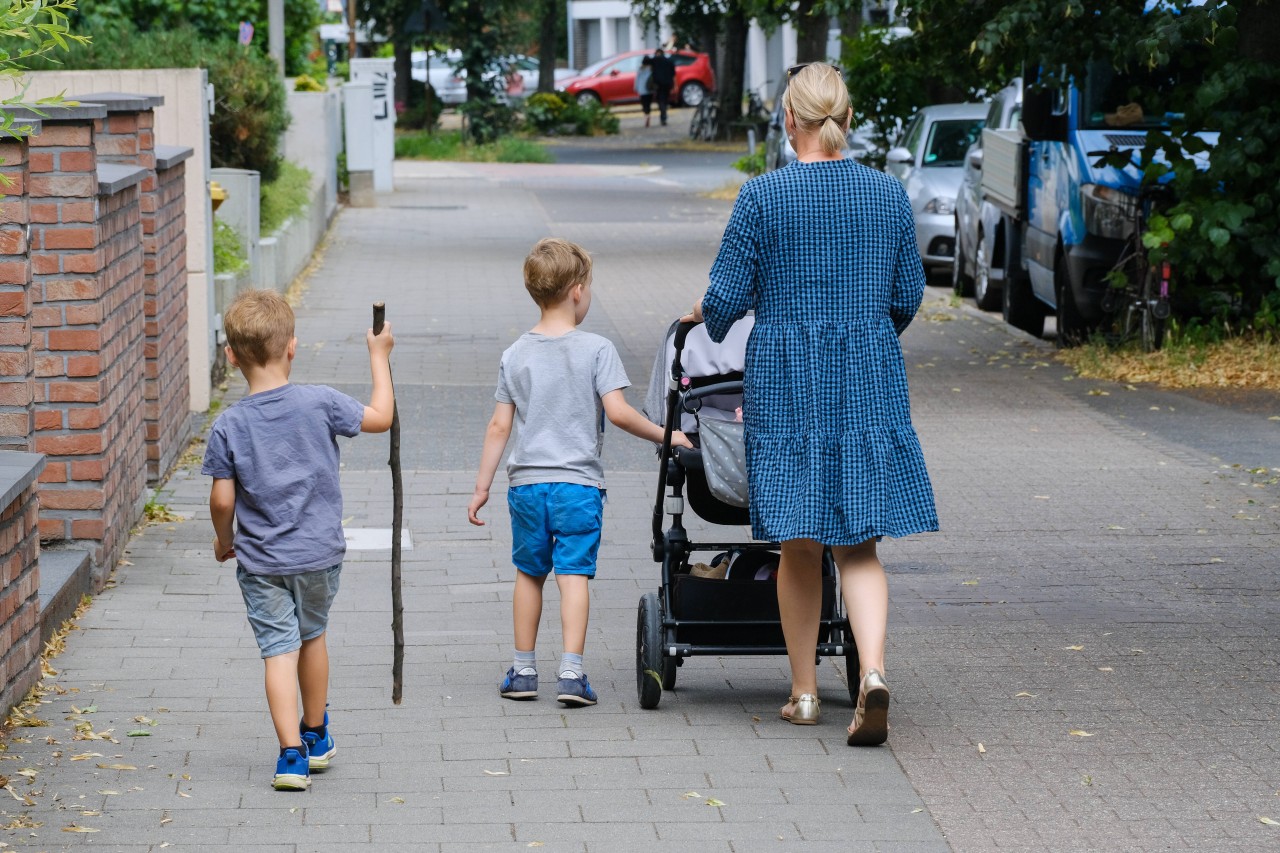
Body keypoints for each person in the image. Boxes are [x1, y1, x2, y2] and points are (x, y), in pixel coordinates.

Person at [683, 63, 937, 746]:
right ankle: (873, 671)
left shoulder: (763, 197)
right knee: (859, 546)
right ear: (846, 120)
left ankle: (801, 693)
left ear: (788, 121)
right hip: (866, 377)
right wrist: (866, 335)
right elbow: (908, 295)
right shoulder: (888, 195)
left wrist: (705, 308)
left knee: (798, 543)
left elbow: (725, 305)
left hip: (789, 382)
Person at [468, 238, 691, 708]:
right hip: (578, 487)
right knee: (573, 577)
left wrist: (482, 486)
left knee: (529, 575)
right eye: (589, 288)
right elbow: (619, 413)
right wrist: (667, 435)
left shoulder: (515, 353)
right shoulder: (597, 349)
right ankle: (571, 674)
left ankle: (524, 670)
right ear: (576, 291)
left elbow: (498, 425)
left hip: (527, 486)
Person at [203, 290, 395, 790]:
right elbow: (380, 417)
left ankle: (289, 755)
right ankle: (316, 733)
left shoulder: (227, 426)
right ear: (292, 347)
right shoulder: (320, 401)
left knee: (277, 650)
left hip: (263, 561)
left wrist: (225, 540)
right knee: (313, 636)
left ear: (230, 355)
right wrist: (379, 356)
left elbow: (222, 502)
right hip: (318, 555)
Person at [650, 48, 676, 126]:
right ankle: (663, 114)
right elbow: (673, 74)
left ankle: (663, 115)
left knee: (661, 100)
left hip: (658, 84)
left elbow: (645, 61)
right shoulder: (669, 61)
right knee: (664, 99)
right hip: (667, 83)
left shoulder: (655, 61)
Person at [635, 56, 657, 127]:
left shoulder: (640, 69)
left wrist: (636, 88)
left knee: (644, 104)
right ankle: (648, 114)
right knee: (649, 104)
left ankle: (646, 115)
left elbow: (637, 80)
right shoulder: (651, 69)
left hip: (642, 90)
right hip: (649, 90)